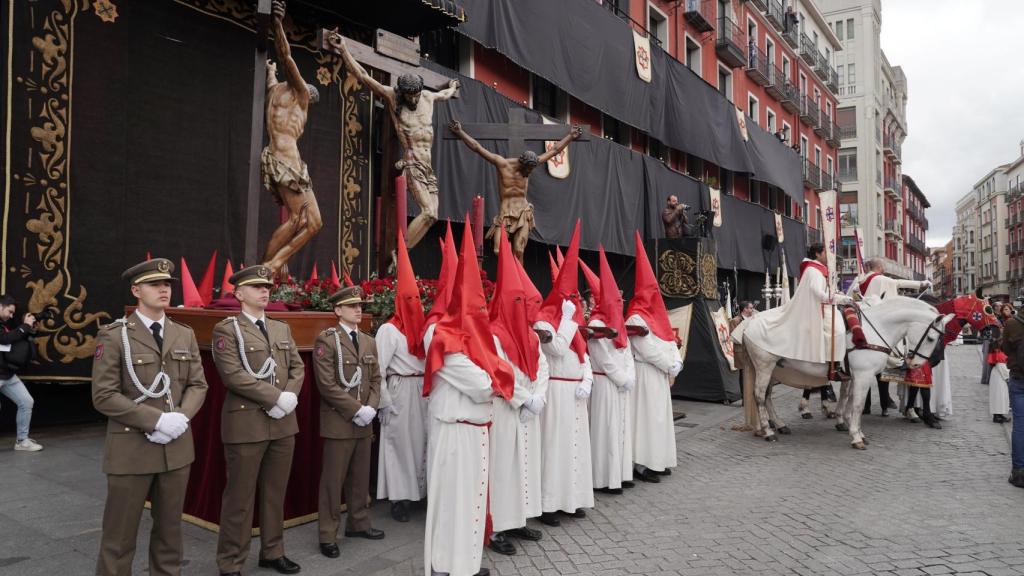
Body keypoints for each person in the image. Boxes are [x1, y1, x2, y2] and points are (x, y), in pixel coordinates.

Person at [91, 258, 208, 576]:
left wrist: (180, 419)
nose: (163, 289)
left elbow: (198, 384)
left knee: (170, 534)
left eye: (168, 284)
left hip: (176, 448)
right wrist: (155, 421)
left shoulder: (183, 334)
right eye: (155, 284)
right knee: (119, 537)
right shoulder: (115, 336)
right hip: (132, 449)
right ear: (136, 290)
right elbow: (103, 395)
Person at [422, 221, 514, 576]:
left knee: (473, 500)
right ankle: (447, 565)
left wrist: (492, 371)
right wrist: (492, 374)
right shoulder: (441, 336)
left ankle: (467, 563)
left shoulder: (474, 339)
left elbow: (497, 369)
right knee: (453, 501)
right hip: (455, 429)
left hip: (476, 429)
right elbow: (481, 383)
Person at [212, 265, 304, 576]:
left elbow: (297, 368)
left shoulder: (281, 329)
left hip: (282, 424)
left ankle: (273, 551)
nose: (265, 291)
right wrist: (275, 398)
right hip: (246, 425)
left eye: (267, 286)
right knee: (239, 498)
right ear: (238, 294)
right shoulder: (227, 330)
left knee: (275, 494)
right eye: (256, 287)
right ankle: (231, 562)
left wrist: (289, 396)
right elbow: (233, 376)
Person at [329, 34, 460, 249]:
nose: (414, 99)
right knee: (427, 212)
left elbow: (445, 94)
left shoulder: (428, 97)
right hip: (412, 164)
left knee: (433, 216)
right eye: (410, 96)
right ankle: (399, 254)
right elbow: (363, 76)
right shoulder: (392, 96)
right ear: (403, 93)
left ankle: (402, 254)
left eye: (416, 94)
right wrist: (344, 50)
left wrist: (453, 87)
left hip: (428, 168)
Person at [486, 231, 548, 555]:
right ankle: (497, 528)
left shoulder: (531, 336)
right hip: (506, 410)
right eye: (518, 301)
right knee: (503, 469)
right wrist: (524, 398)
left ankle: (520, 518)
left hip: (528, 412)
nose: (523, 307)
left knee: (525, 466)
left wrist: (539, 398)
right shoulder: (495, 335)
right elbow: (500, 372)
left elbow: (543, 367)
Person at [313, 285, 384, 559]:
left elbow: (376, 379)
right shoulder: (327, 340)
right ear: (337, 310)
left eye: (360, 305)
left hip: (364, 420)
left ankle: (359, 522)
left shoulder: (368, 341)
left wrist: (372, 407)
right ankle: (328, 534)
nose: (358, 309)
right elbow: (327, 384)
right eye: (352, 305)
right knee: (333, 481)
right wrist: (356, 409)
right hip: (340, 420)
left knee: (360, 477)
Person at [449, 120, 582, 261]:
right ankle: (507, 277)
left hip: (523, 212)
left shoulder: (531, 164)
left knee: (519, 249)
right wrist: (460, 132)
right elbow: (477, 147)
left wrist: (570, 136)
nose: (530, 172)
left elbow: (554, 150)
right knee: (498, 250)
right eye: (528, 169)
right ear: (522, 163)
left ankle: (519, 280)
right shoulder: (502, 164)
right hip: (505, 214)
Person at [534, 222, 595, 525]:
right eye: (568, 294)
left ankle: (573, 499)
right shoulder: (544, 321)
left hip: (575, 394)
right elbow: (556, 349)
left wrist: (586, 379)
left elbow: (584, 356)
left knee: (576, 447)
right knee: (555, 448)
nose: (573, 300)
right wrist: (567, 321)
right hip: (556, 392)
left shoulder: (574, 318)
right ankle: (548, 504)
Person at [260, 0, 323, 277]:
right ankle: (268, 267)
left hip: (275, 156)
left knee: (301, 219)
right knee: (310, 222)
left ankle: (272, 267)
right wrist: (277, 23)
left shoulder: (275, 91)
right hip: (287, 158)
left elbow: (274, 73)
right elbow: (287, 56)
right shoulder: (299, 93)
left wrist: (270, 71)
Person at [375, 230, 429, 523]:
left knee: (421, 443)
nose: (413, 303)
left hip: (421, 390)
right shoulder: (389, 331)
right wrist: (384, 402)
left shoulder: (423, 331)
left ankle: (418, 492)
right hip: (399, 390)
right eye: (407, 298)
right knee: (399, 443)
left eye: (416, 298)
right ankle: (398, 497)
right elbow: (378, 369)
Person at [743, 243, 852, 382]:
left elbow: (826, 291)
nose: (829, 256)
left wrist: (838, 295)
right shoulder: (813, 270)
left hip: (825, 305)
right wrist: (842, 299)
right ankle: (834, 368)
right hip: (817, 307)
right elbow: (817, 293)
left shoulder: (820, 269)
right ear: (817, 254)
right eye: (826, 252)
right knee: (837, 330)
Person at [627, 231, 683, 480]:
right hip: (646, 374)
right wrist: (669, 365)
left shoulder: (656, 316)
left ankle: (659, 459)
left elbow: (669, 340)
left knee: (659, 419)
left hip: (659, 375)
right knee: (646, 420)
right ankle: (642, 463)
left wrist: (677, 362)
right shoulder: (635, 317)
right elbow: (646, 348)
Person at [850, 258, 931, 415]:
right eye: (883, 267)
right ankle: (884, 404)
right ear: (879, 267)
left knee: (862, 374)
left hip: (864, 321)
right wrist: (921, 284)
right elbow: (899, 283)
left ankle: (867, 406)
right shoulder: (880, 278)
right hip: (881, 323)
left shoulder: (860, 280)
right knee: (888, 363)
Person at [586, 247, 636, 494]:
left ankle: (620, 474)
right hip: (605, 383)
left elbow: (626, 349)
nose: (619, 303)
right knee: (605, 429)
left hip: (620, 382)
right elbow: (602, 356)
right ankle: (604, 477)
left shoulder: (617, 321)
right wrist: (619, 378)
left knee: (621, 429)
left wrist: (629, 377)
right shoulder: (596, 323)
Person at [0, 295, 42, 451]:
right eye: (9, 312)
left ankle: (22, 441)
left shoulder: (7, 322)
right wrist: (24, 326)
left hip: (7, 374)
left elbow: (18, 335)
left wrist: (32, 324)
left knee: (26, 402)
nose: (11, 316)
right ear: (1, 306)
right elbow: (4, 339)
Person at [999, 308, 1024, 488]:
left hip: (1019, 378)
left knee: (1020, 427)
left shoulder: (1012, 323)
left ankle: (1019, 473)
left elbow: (1005, 349)